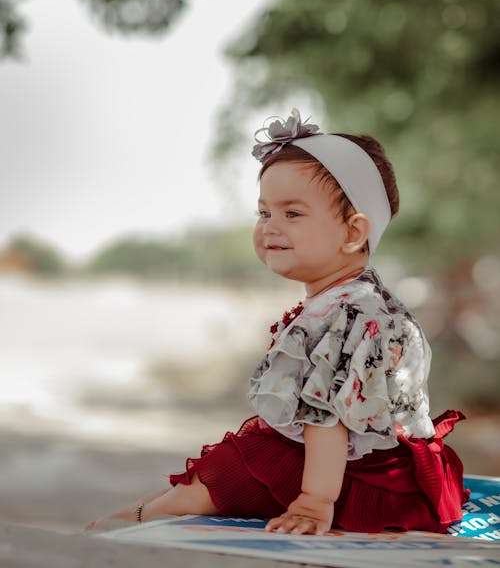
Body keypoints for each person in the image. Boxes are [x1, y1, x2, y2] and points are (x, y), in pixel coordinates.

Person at [86, 109, 468, 536]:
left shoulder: (348, 314)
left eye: (293, 214)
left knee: (226, 471)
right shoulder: (358, 297)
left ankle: (127, 524)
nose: (270, 227)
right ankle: (141, 514)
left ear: (353, 233)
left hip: (357, 476)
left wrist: (314, 501)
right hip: (367, 462)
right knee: (227, 465)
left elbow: (329, 415)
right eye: (264, 212)